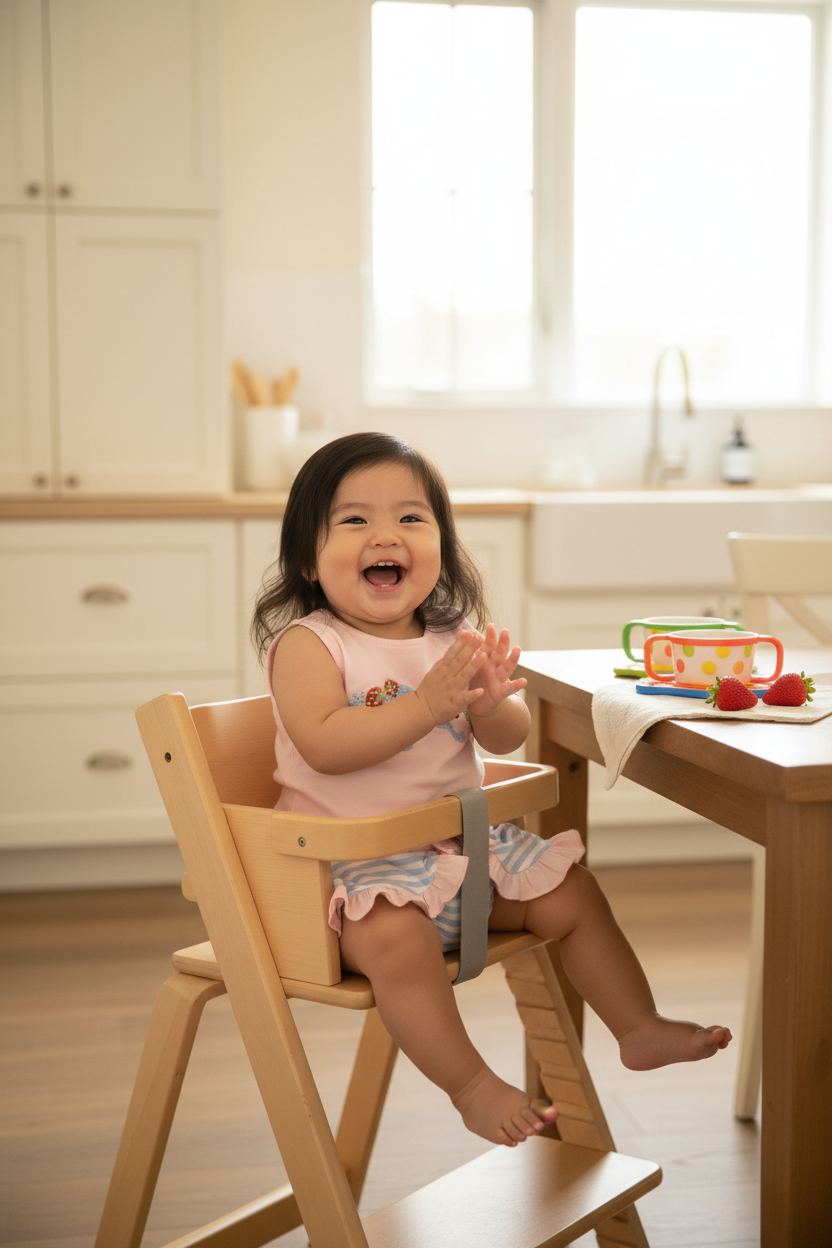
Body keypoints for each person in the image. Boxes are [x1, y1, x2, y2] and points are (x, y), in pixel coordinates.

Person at [252, 432, 732, 1149]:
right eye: (355, 521)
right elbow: (323, 744)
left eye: (412, 518)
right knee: (401, 947)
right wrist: (423, 705)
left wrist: (483, 702)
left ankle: (638, 1027)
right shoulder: (310, 646)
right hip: (354, 880)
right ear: (307, 560)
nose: (387, 534)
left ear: (442, 544)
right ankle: (472, 1086)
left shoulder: (451, 633)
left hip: (465, 853)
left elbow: (505, 737)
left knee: (573, 891)